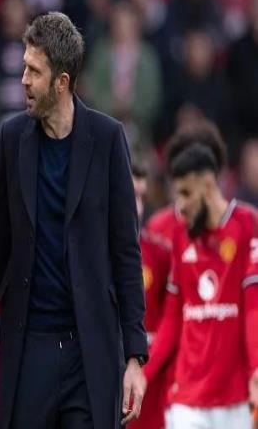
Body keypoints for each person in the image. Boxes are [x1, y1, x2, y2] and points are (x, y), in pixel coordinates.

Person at [0, 12, 147, 429]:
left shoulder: (107, 139)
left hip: (90, 352)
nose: (23, 81)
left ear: (62, 82)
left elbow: (125, 251)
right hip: (30, 347)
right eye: (24, 68)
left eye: (34, 71)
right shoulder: (12, 138)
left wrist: (135, 356)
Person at [144, 120, 258, 429]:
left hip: (234, 396)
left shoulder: (248, 225)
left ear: (209, 182)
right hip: (183, 394)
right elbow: (168, 318)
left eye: (186, 193)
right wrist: (143, 374)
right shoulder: (173, 233)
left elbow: (253, 306)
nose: (180, 205)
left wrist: (255, 369)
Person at [128, 161, 172, 429]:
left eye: (142, 197)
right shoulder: (88, 257)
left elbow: (172, 320)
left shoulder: (161, 254)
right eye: (131, 195)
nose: (138, 207)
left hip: (152, 391)